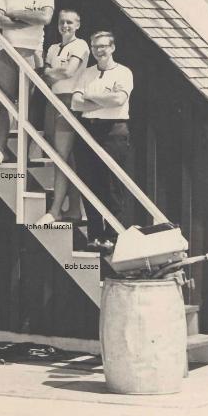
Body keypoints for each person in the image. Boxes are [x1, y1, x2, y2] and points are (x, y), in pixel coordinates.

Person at [0, 0, 54, 167]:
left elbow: (45, 17)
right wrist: (25, 19)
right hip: (7, 51)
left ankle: (24, 154)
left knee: (27, 107)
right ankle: (0, 150)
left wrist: (15, 13)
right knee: (5, 102)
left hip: (31, 52)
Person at [71, 31, 134, 251]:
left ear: (112, 47)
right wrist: (103, 101)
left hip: (114, 131)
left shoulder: (124, 72)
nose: (99, 51)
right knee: (90, 182)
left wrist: (91, 97)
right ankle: (95, 234)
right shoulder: (87, 73)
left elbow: (119, 99)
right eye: (95, 46)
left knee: (112, 185)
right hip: (89, 130)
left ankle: (113, 236)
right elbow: (76, 103)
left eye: (103, 46)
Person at [36, 10, 89, 225]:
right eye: (61, 22)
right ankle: (75, 209)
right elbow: (49, 75)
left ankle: (55, 209)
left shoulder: (81, 45)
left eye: (69, 22)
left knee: (61, 157)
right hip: (53, 100)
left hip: (69, 101)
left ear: (77, 25)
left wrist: (50, 71)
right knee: (66, 157)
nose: (65, 26)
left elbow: (68, 72)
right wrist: (52, 72)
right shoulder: (53, 48)